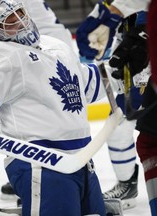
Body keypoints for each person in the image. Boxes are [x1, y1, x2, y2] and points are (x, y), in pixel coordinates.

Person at [0, 0, 112, 215]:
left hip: (82, 161)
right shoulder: (3, 52)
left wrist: (119, 72)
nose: (20, 24)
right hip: (42, 165)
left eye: (20, 15)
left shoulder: (56, 46)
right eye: (9, 23)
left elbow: (85, 83)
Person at [76, 0, 157, 215]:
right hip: (137, 61)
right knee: (120, 125)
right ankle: (127, 184)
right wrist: (108, 19)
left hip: (146, 56)